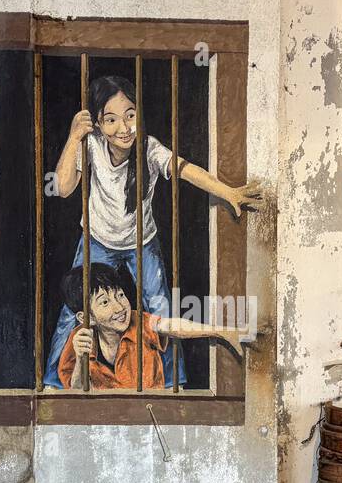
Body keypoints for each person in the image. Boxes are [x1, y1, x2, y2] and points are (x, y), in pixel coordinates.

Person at [44, 73, 263, 388]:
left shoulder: (149, 148)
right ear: (98, 125)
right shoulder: (90, 145)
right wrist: (74, 135)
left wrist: (227, 192)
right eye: (111, 120)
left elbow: (187, 170)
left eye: (130, 115)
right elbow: (63, 188)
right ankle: (54, 384)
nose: (124, 127)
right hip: (96, 240)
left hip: (141, 243)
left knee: (161, 309)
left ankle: (175, 384)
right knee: (74, 310)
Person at [57, 264, 252, 391]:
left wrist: (220, 331)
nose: (119, 307)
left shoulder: (139, 321)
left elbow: (173, 325)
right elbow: (75, 392)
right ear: (86, 317)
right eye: (105, 302)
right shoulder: (79, 339)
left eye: (120, 295)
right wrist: (81, 358)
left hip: (150, 413)